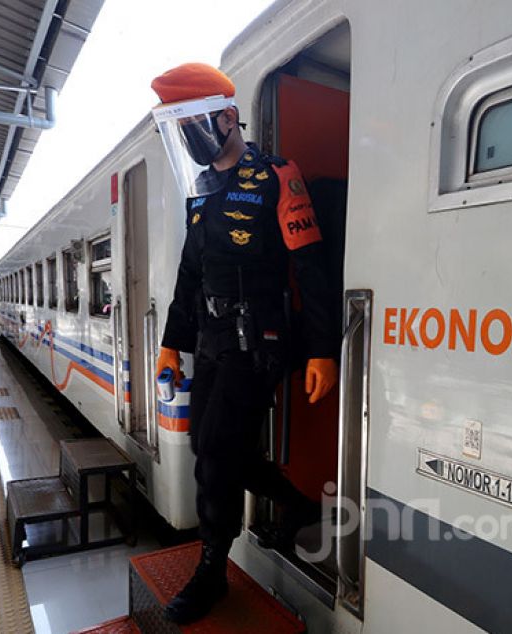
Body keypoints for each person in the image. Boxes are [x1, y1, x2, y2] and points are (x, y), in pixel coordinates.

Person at [150, 63, 339, 624]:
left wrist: (322, 349)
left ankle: (212, 573)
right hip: (209, 341)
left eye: (195, 123)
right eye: (180, 127)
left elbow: (311, 268)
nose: (190, 137)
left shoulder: (278, 176)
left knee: (214, 455)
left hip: (259, 342)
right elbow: (191, 273)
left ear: (228, 117)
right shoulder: (200, 190)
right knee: (213, 449)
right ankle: (300, 504)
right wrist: (171, 344)